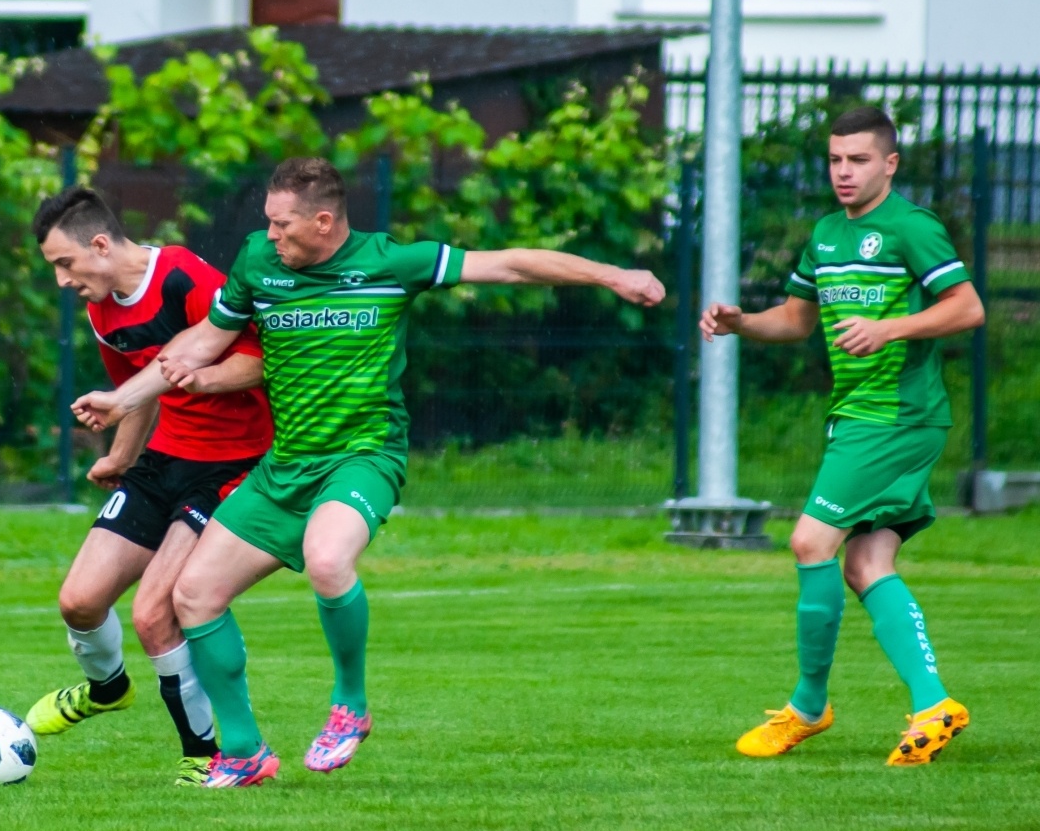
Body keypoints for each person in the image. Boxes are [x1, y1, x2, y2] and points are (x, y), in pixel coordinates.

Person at [73, 157, 664, 787]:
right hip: (284, 467)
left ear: (323, 221)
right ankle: (244, 754)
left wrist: (611, 275)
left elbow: (509, 262)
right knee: (194, 595)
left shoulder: (389, 263)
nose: (270, 236)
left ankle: (349, 707)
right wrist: (124, 400)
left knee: (328, 561)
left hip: (363, 457)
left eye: (282, 225)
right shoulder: (257, 265)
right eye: (267, 224)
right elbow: (203, 340)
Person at [700, 106, 985, 766]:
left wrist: (889, 328)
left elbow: (966, 307)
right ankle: (934, 701)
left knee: (809, 540)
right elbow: (798, 320)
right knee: (865, 564)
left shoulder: (911, 227)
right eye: (835, 159)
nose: (844, 172)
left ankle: (807, 706)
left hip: (894, 417)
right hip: (858, 416)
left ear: (889, 163)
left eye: (858, 159)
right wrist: (742, 322)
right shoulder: (827, 233)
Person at [27, 186, 274, 786]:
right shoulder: (101, 308)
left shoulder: (184, 278)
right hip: (164, 459)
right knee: (79, 601)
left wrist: (201, 376)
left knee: (152, 613)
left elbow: (260, 359)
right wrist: (119, 456)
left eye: (65, 263)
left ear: (102, 244)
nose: (62, 281)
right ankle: (108, 689)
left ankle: (207, 755)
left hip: (231, 465)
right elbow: (136, 392)